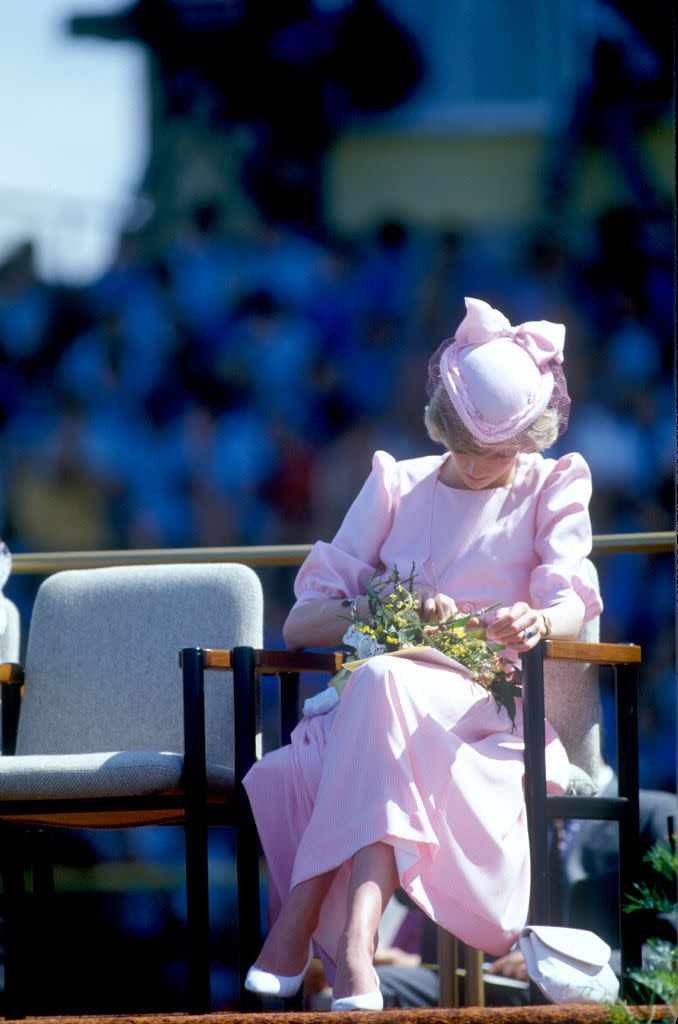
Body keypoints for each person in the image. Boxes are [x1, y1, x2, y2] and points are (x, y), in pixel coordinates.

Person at [242, 296, 602, 1010]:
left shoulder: (555, 483)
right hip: (382, 710)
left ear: (531, 438)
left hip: (490, 719)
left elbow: (573, 601)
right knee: (382, 683)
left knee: (380, 685)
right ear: (441, 426)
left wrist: (537, 618)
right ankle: (355, 953)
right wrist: (384, 608)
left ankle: (300, 925)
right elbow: (303, 623)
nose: (475, 467)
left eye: (496, 452)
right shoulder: (396, 482)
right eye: (464, 446)